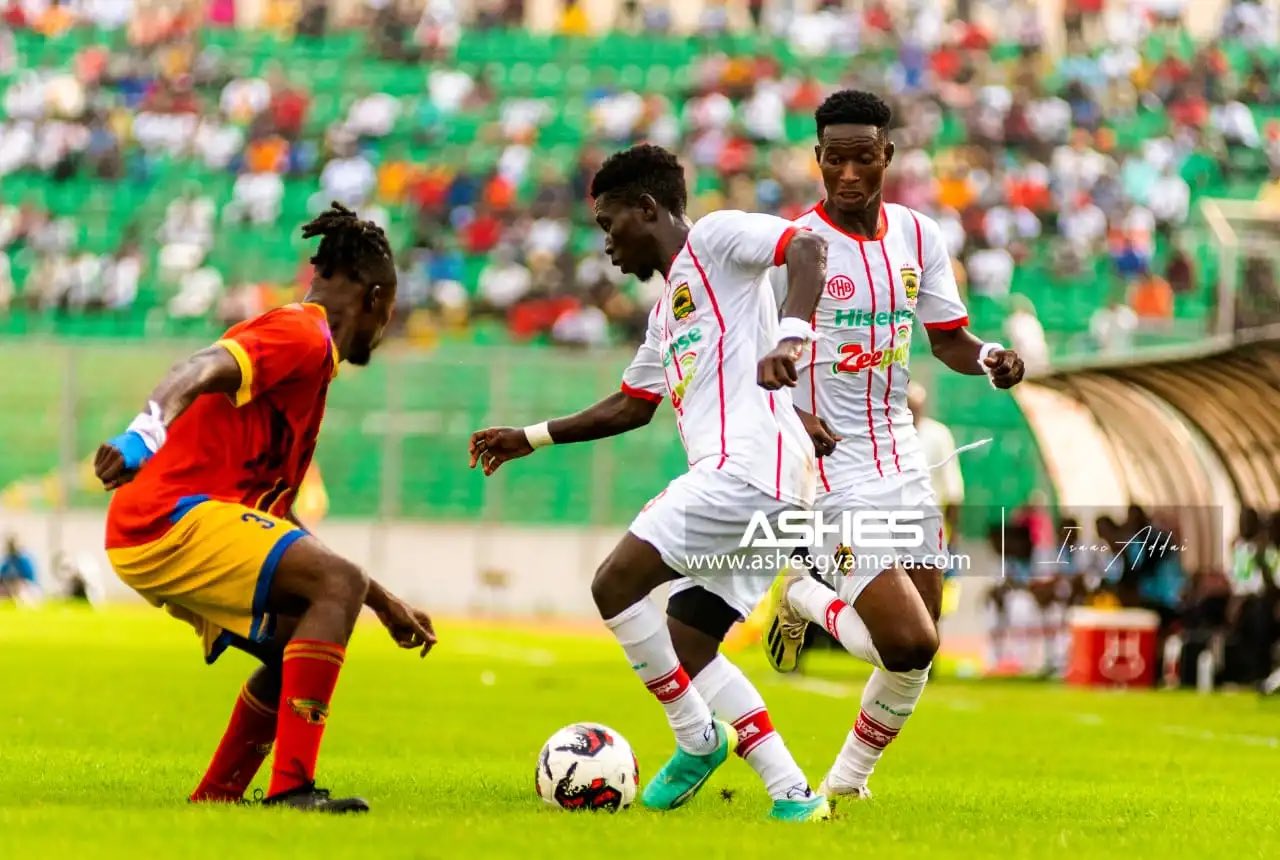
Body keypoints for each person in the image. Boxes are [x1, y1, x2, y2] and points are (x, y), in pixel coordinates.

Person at [468, 144, 832, 821]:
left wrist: (791, 338)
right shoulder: (667, 314)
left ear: (649, 208)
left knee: (613, 583)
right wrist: (531, 437)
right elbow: (632, 404)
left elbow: (807, 247)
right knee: (688, 642)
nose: (607, 244)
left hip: (745, 471)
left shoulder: (718, 240)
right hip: (779, 487)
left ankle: (696, 740)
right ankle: (794, 796)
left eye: (610, 225)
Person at [94, 203, 436, 814]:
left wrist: (381, 603)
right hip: (168, 516)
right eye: (391, 309)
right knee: (337, 583)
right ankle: (293, 790)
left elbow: (277, 520)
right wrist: (144, 434)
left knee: (306, 627)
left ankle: (218, 796)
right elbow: (197, 367)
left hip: (166, 525)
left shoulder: (311, 374)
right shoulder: (302, 332)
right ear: (376, 295)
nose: (388, 324)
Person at [761, 90, 1025, 804]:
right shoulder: (794, 249)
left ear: (888, 156)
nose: (848, 173)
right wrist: (791, 414)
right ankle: (809, 596)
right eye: (834, 159)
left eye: (862, 157)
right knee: (906, 642)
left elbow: (948, 339)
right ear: (817, 159)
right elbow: (763, 361)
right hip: (832, 468)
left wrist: (992, 354)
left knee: (919, 646)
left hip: (905, 462)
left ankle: (847, 785)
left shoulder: (918, 235)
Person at [0, 534, 39, 600]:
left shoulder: (24, 561)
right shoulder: (7, 562)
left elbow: (29, 579)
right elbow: (2, 577)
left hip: (27, 588)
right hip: (10, 588)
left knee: (21, 589)